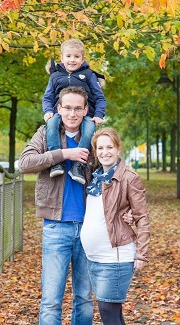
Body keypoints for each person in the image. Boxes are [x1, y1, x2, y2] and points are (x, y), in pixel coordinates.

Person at [19, 86, 94, 325]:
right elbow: (25, 163)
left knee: (84, 298)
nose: (72, 114)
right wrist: (63, 154)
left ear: (85, 110)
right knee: (51, 299)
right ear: (58, 109)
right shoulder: (45, 133)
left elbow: (115, 169)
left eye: (77, 109)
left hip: (90, 227)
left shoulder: (95, 136)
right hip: (55, 227)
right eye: (67, 108)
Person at [80, 127, 151, 324]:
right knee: (112, 313)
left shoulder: (129, 177)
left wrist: (142, 253)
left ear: (118, 148)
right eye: (100, 148)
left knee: (108, 311)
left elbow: (142, 217)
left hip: (116, 256)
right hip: (94, 257)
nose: (105, 152)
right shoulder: (94, 178)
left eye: (110, 147)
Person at [42, 38, 107, 185]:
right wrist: (47, 111)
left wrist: (98, 115)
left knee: (90, 128)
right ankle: (56, 161)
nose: (72, 60)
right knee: (51, 124)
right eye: (68, 56)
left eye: (76, 57)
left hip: (84, 114)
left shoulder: (88, 74)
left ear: (83, 58)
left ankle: (79, 165)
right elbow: (47, 97)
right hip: (60, 113)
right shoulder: (55, 76)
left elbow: (100, 98)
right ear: (62, 57)